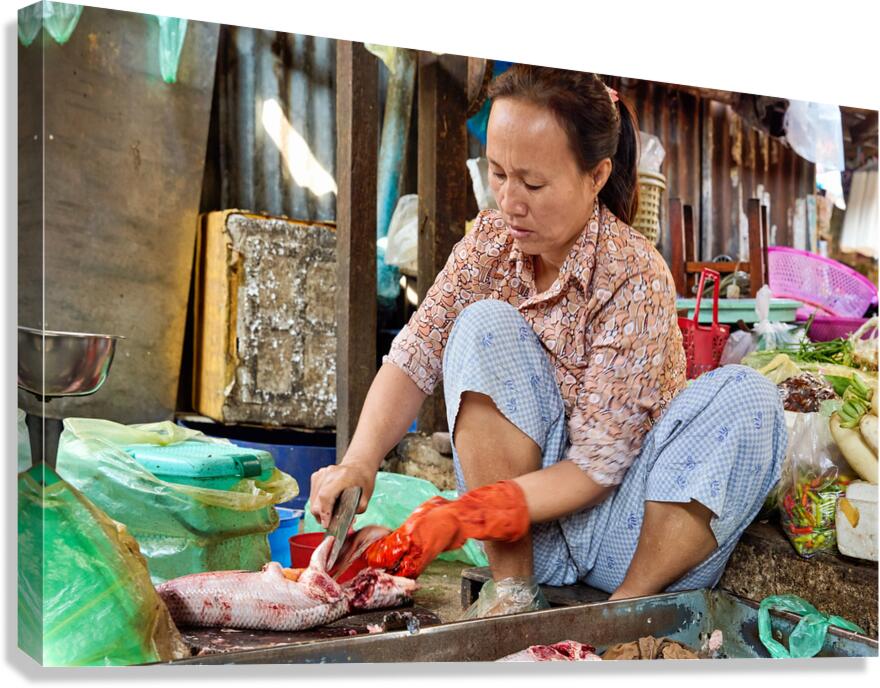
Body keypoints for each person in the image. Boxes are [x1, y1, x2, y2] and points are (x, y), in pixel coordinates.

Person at [311, 65, 786, 618]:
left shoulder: (633, 274)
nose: (511, 201)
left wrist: (469, 512)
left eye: (533, 184)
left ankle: (623, 617)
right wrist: (360, 461)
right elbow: (415, 354)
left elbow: (596, 468)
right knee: (482, 325)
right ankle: (512, 594)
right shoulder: (487, 245)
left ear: (597, 175)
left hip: (625, 535)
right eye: (497, 174)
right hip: (528, 544)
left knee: (750, 395)